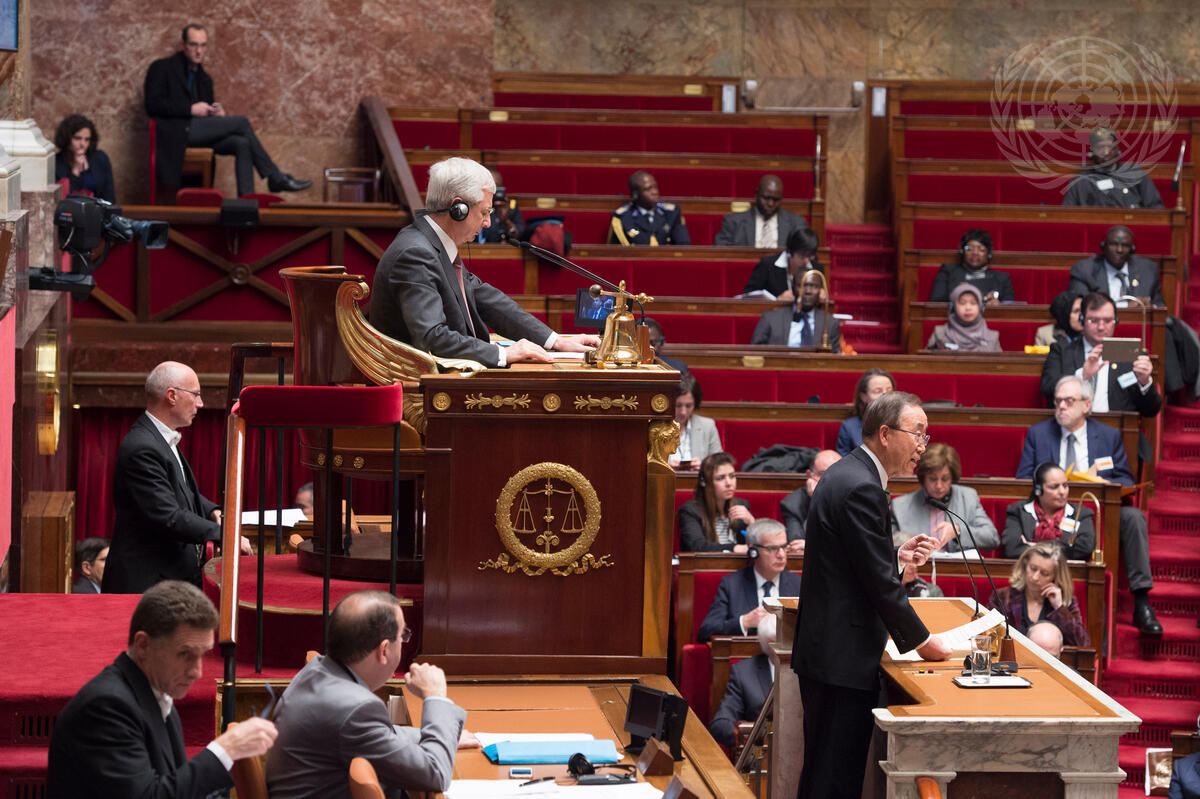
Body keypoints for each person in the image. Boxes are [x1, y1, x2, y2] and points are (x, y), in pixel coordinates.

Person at [792, 391, 951, 798]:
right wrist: (923, 641)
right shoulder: (861, 486)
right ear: (885, 433)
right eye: (918, 433)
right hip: (842, 659)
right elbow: (878, 584)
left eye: (926, 436)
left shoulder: (848, 472)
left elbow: (854, 563)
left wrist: (896, 557)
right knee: (834, 780)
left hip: (830, 653)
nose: (923, 446)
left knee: (824, 774)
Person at [47, 581, 278, 799]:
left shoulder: (156, 692)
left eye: (203, 655)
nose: (197, 672)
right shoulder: (106, 707)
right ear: (143, 645)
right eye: (185, 654)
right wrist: (224, 750)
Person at [370, 157, 598, 366]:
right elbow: (432, 337)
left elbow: (485, 299)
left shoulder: (431, 244)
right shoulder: (415, 253)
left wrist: (555, 341)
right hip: (414, 387)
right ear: (458, 209)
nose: (488, 222)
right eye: (485, 212)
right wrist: (503, 354)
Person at [266, 590, 466, 799]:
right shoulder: (356, 709)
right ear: (384, 650)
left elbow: (376, 735)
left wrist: (440, 736)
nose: (403, 642)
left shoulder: (315, 670)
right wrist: (435, 695)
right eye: (402, 636)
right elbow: (435, 774)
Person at [1016, 375, 1160, 634]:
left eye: (1068, 401)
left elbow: (1126, 479)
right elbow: (1023, 478)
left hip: (1101, 508)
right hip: (1053, 510)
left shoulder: (1107, 436)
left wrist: (1102, 481)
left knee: (1133, 518)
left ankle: (1141, 601)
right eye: (1057, 401)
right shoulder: (1039, 434)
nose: (1061, 406)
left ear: (1086, 405)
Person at [103, 361, 250, 594]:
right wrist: (225, 535)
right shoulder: (143, 447)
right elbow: (167, 516)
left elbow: (182, 491)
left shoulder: (159, 437)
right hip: (146, 583)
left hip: (168, 576)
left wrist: (212, 511)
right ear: (172, 396)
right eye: (196, 394)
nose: (200, 403)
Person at [144, 24, 311, 198]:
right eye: (194, 45)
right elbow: (152, 105)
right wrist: (190, 109)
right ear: (183, 45)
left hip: (200, 133)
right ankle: (275, 177)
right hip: (176, 133)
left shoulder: (204, 78)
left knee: (242, 143)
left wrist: (216, 113)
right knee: (242, 122)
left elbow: (207, 109)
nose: (199, 51)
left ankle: (246, 201)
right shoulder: (161, 68)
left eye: (203, 46)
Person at [1040, 292, 1162, 418]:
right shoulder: (1061, 350)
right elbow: (1047, 388)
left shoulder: (1132, 354)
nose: (1101, 327)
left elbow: (1151, 411)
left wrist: (1144, 382)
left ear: (1115, 321)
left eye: (1108, 321)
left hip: (1116, 427)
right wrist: (1081, 376)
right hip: (1072, 423)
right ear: (1082, 320)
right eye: (1094, 320)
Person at [697, 519, 801, 643]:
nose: (781, 555)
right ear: (753, 552)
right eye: (772, 548)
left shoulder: (798, 584)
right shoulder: (732, 585)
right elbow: (706, 631)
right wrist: (744, 622)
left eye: (784, 547)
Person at [890, 443, 1000, 552]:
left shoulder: (968, 498)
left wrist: (958, 531)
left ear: (952, 477)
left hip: (955, 563)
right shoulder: (900, 506)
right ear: (923, 478)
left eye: (945, 479)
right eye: (933, 479)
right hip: (918, 563)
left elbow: (992, 537)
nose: (939, 486)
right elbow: (888, 544)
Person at [988, 542, 1090, 647]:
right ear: (1025, 565)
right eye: (1033, 568)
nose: (1035, 577)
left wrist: (1059, 608)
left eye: (1044, 573)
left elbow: (1082, 643)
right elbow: (989, 637)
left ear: (1055, 577)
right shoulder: (1003, 597)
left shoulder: (1065, 600)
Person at [1001, 462, 1096, 562]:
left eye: (1065, 485)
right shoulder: (1018, 511)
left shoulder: (1082, 513)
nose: (1062, 492)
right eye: (1054, 487)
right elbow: (1011, 550)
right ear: (1038, 490)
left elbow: (1085, 549)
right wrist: (1065, 548)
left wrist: (1034, 546)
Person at [708, 613, 778, 748]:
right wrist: (748, 737)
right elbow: (720, 724)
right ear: (770, 644)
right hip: (758, 753)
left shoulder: (808, 670)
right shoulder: (744, 673)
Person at [1063, 127, 1164, 209]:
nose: (1106, 152)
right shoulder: (1080, 182)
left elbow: (1155, 208)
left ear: (1118, 150)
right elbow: (1067, 216)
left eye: (1110, 147)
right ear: (1091, 152)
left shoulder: (1135, 174)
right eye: (1100, 147)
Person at [1067, 225, 1165, 307]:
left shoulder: (1148, 270)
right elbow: (1081, 307)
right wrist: (1126, 306)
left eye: (1125, 245)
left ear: (1132, 249)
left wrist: (1150, 307)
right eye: (1114, 244)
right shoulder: (1084, 270)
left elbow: (1160, 306)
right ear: (1104, 246)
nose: (1119, 250)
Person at [677, 452, 754, 553]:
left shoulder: (741, 505)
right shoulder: (690, 511)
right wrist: (733, 548)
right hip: (707, 563)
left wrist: (752, 523)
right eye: (720, 478)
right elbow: (697, 546)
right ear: (703, 482)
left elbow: (759, 545)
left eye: (732, 476)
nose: (729, 483)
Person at [750, 269, 839, 348]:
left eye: (813, 286)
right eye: (802, 286)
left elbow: (835, 357)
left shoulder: (830, 323)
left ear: (820, 291)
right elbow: (755, 350)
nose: (808, 291)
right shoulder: (770, 318)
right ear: (793, 289)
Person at [714, 174, 807, 248]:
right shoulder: (733, 222)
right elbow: (721, 253)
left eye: (776, 199)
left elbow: (804, 253)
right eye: (766, 198)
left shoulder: (796, 223)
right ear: (756, 194)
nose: (770, 204)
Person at [928, 229, 1014, 306]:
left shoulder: (1002, 279)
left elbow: (1010, 310)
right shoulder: (948, 271)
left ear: (989, 254)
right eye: (969, 249)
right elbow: (935, 302)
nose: (975, 253)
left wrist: (998, 305)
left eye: (981, 249)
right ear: (962, 251)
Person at [779, 449, 840, 551]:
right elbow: (796, 542)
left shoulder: (854, 498)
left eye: (836, 473)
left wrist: (812, 544)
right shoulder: (792, 503)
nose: (830, 479)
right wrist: (816, 501)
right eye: (822, 474)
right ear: (809, 475)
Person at [608, 170, 690, 246]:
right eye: (648, 189)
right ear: (635, 195)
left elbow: (683, 246)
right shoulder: (623, 217)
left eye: (655, 187)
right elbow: (617, 251)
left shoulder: (671, 213)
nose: (654, 192)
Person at [741, 227, 822, 300]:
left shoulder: (816, 268)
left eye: (811, 255)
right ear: (790, 251)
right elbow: (748, 296)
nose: (806, 261)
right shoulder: (767, 265)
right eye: (802, 255)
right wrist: (777, 300)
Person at [53, 115, 115, 202]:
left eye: (87, 139)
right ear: (66, 138)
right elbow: (61, 200)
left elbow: (109, 197)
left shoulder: (100, 158)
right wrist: (75, 171)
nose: (83, 144)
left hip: (98, 209)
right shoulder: (56, 163)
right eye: (77, 138)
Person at [925, 283, 1001, 352]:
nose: (968, 308)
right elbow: (926, 361)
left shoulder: (991, 337)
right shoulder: (940, 333)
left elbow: (1000, 362)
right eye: (962, 303)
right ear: (954, 307)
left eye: (973, 303)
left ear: (980, 307)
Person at [835, 368, 894, 455]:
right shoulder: (849, 427)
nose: (886, 395)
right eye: (878, 391)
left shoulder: (904, 422)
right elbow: (844, 461)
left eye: (889, 390)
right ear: (863, 397)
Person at [669, 373, 721, 470]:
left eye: (688, 406)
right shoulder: (655, 427)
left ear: (695, 404)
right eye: (678, 405)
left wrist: (704, 467)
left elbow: (719, 465)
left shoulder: (708, 426)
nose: (683, 412)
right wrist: (665, 468)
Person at [478, 169, 524, 243]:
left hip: (501, 248)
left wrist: (506, 220)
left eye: (497, 187)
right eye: (491, 187)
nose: (494, 191)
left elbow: (517, 236)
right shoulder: (475, 204)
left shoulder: (510, 206)